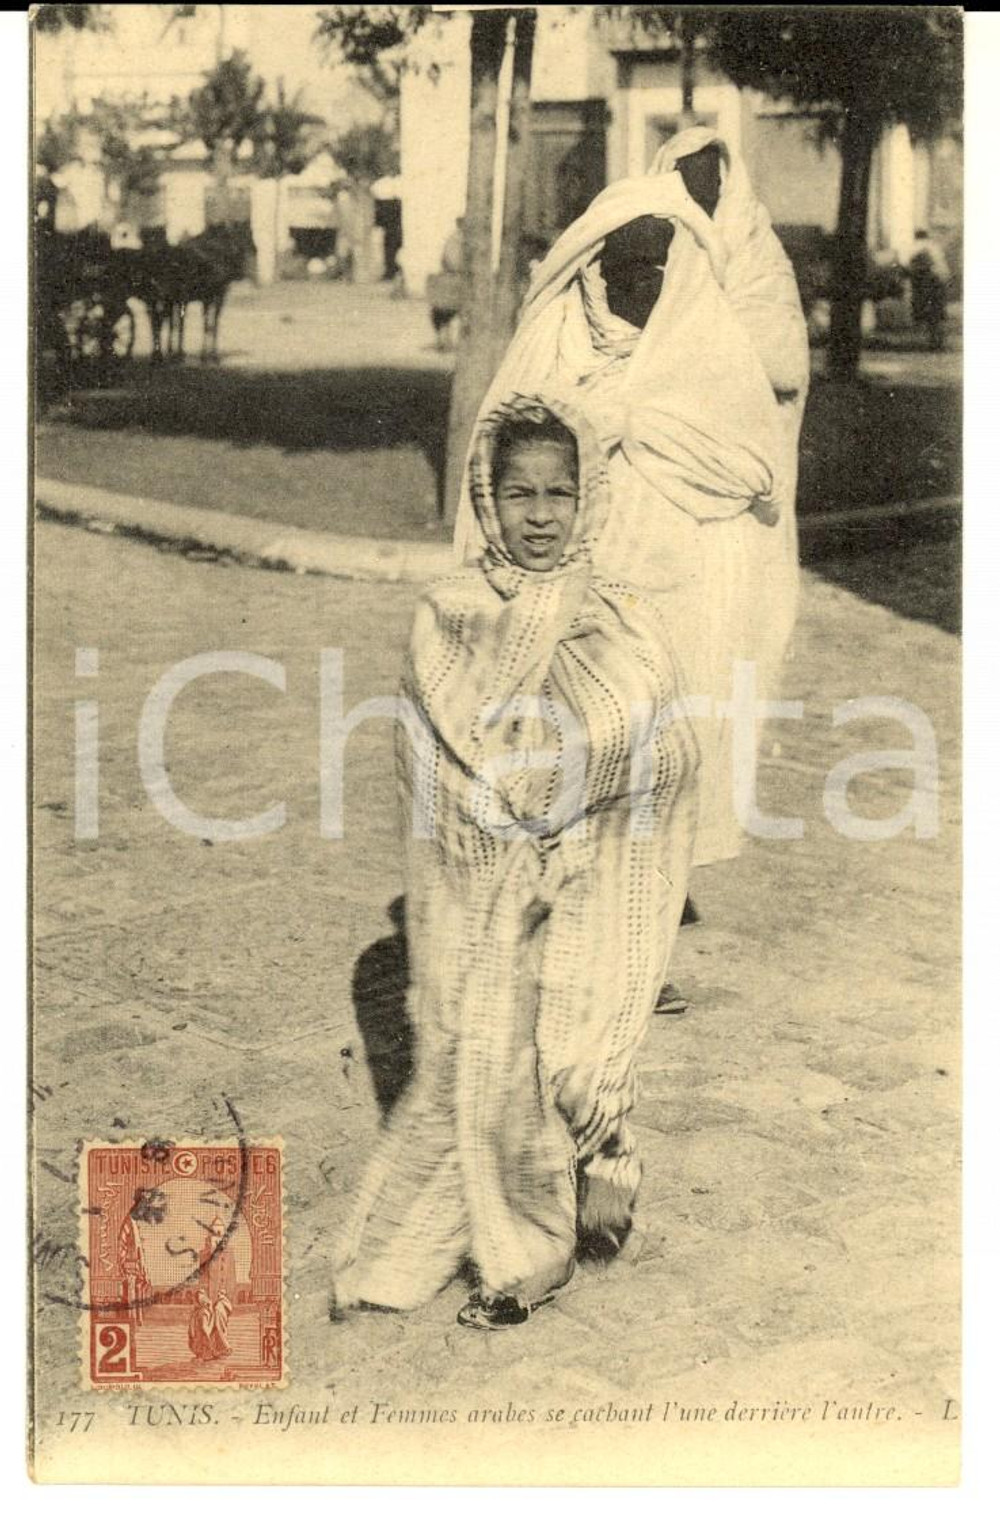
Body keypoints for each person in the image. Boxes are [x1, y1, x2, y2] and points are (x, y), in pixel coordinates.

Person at [332, 395, 699, 1329]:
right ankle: (529, 1249)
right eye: (519, 493)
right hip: (487, 881)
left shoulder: (621, 617)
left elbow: (665, 747)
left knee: (578, 1058)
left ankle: (604, 1158)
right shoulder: (451, 613)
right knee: (495, 1057)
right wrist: (518, 817)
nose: (540, 515)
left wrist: (583, 799)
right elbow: (441, 752)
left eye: (560, 493)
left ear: (588, 501)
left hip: (599, 872)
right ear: (487, 500)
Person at [452, 132, 807, 881]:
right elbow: (509, 464)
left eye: (653, 273)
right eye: (619, 269)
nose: (631, 287)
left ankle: (640, 909)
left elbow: (753, 461)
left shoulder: (709, 338)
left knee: (669, 744)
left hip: (681, 584)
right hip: (586, 592)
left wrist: (641, 424)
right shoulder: (559, 340)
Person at [909, 229, 949, 351]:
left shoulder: (913, 248)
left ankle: (932, 342)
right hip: (935, 284)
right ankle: (936, 342)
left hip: (922, 286)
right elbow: (944, 270)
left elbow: (907, 266)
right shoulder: (934, 247)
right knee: (936, 316)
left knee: (927, 315)